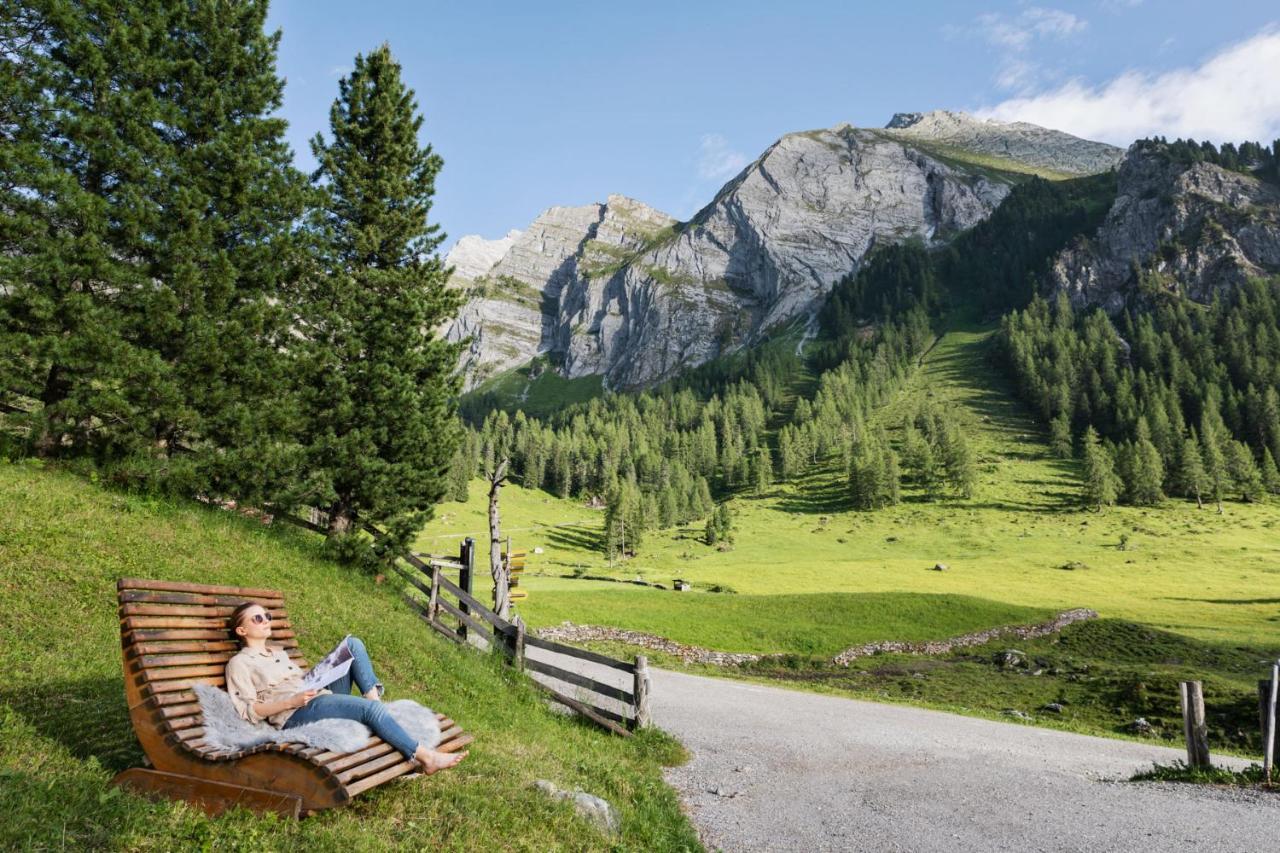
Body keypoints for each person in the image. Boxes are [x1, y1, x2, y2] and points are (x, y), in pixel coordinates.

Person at [224, 601, 465, 774]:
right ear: (242, 630)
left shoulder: (278, 653)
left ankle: (375, 704)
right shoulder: (240, 663)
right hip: (294, 713)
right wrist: (291, 702)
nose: (265, 620)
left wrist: (317, 680)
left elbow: (300, 683)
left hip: (314, 697)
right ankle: (426, 757)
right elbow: (249, 710)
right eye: (258, 618)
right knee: (370, 712)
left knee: (353, 645)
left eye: (267, 615)